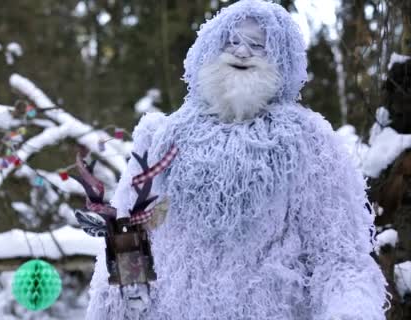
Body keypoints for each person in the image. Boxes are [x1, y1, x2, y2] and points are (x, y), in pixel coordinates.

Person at [84, 0, 388, 319]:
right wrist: (125, 296)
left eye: (257, 45)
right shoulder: (161, 137)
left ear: (281, 59)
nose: (242, 52)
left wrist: (350, 311)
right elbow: (127, 233)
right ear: (211, 48)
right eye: (232, 42)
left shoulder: (311, 143)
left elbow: (340, 260)